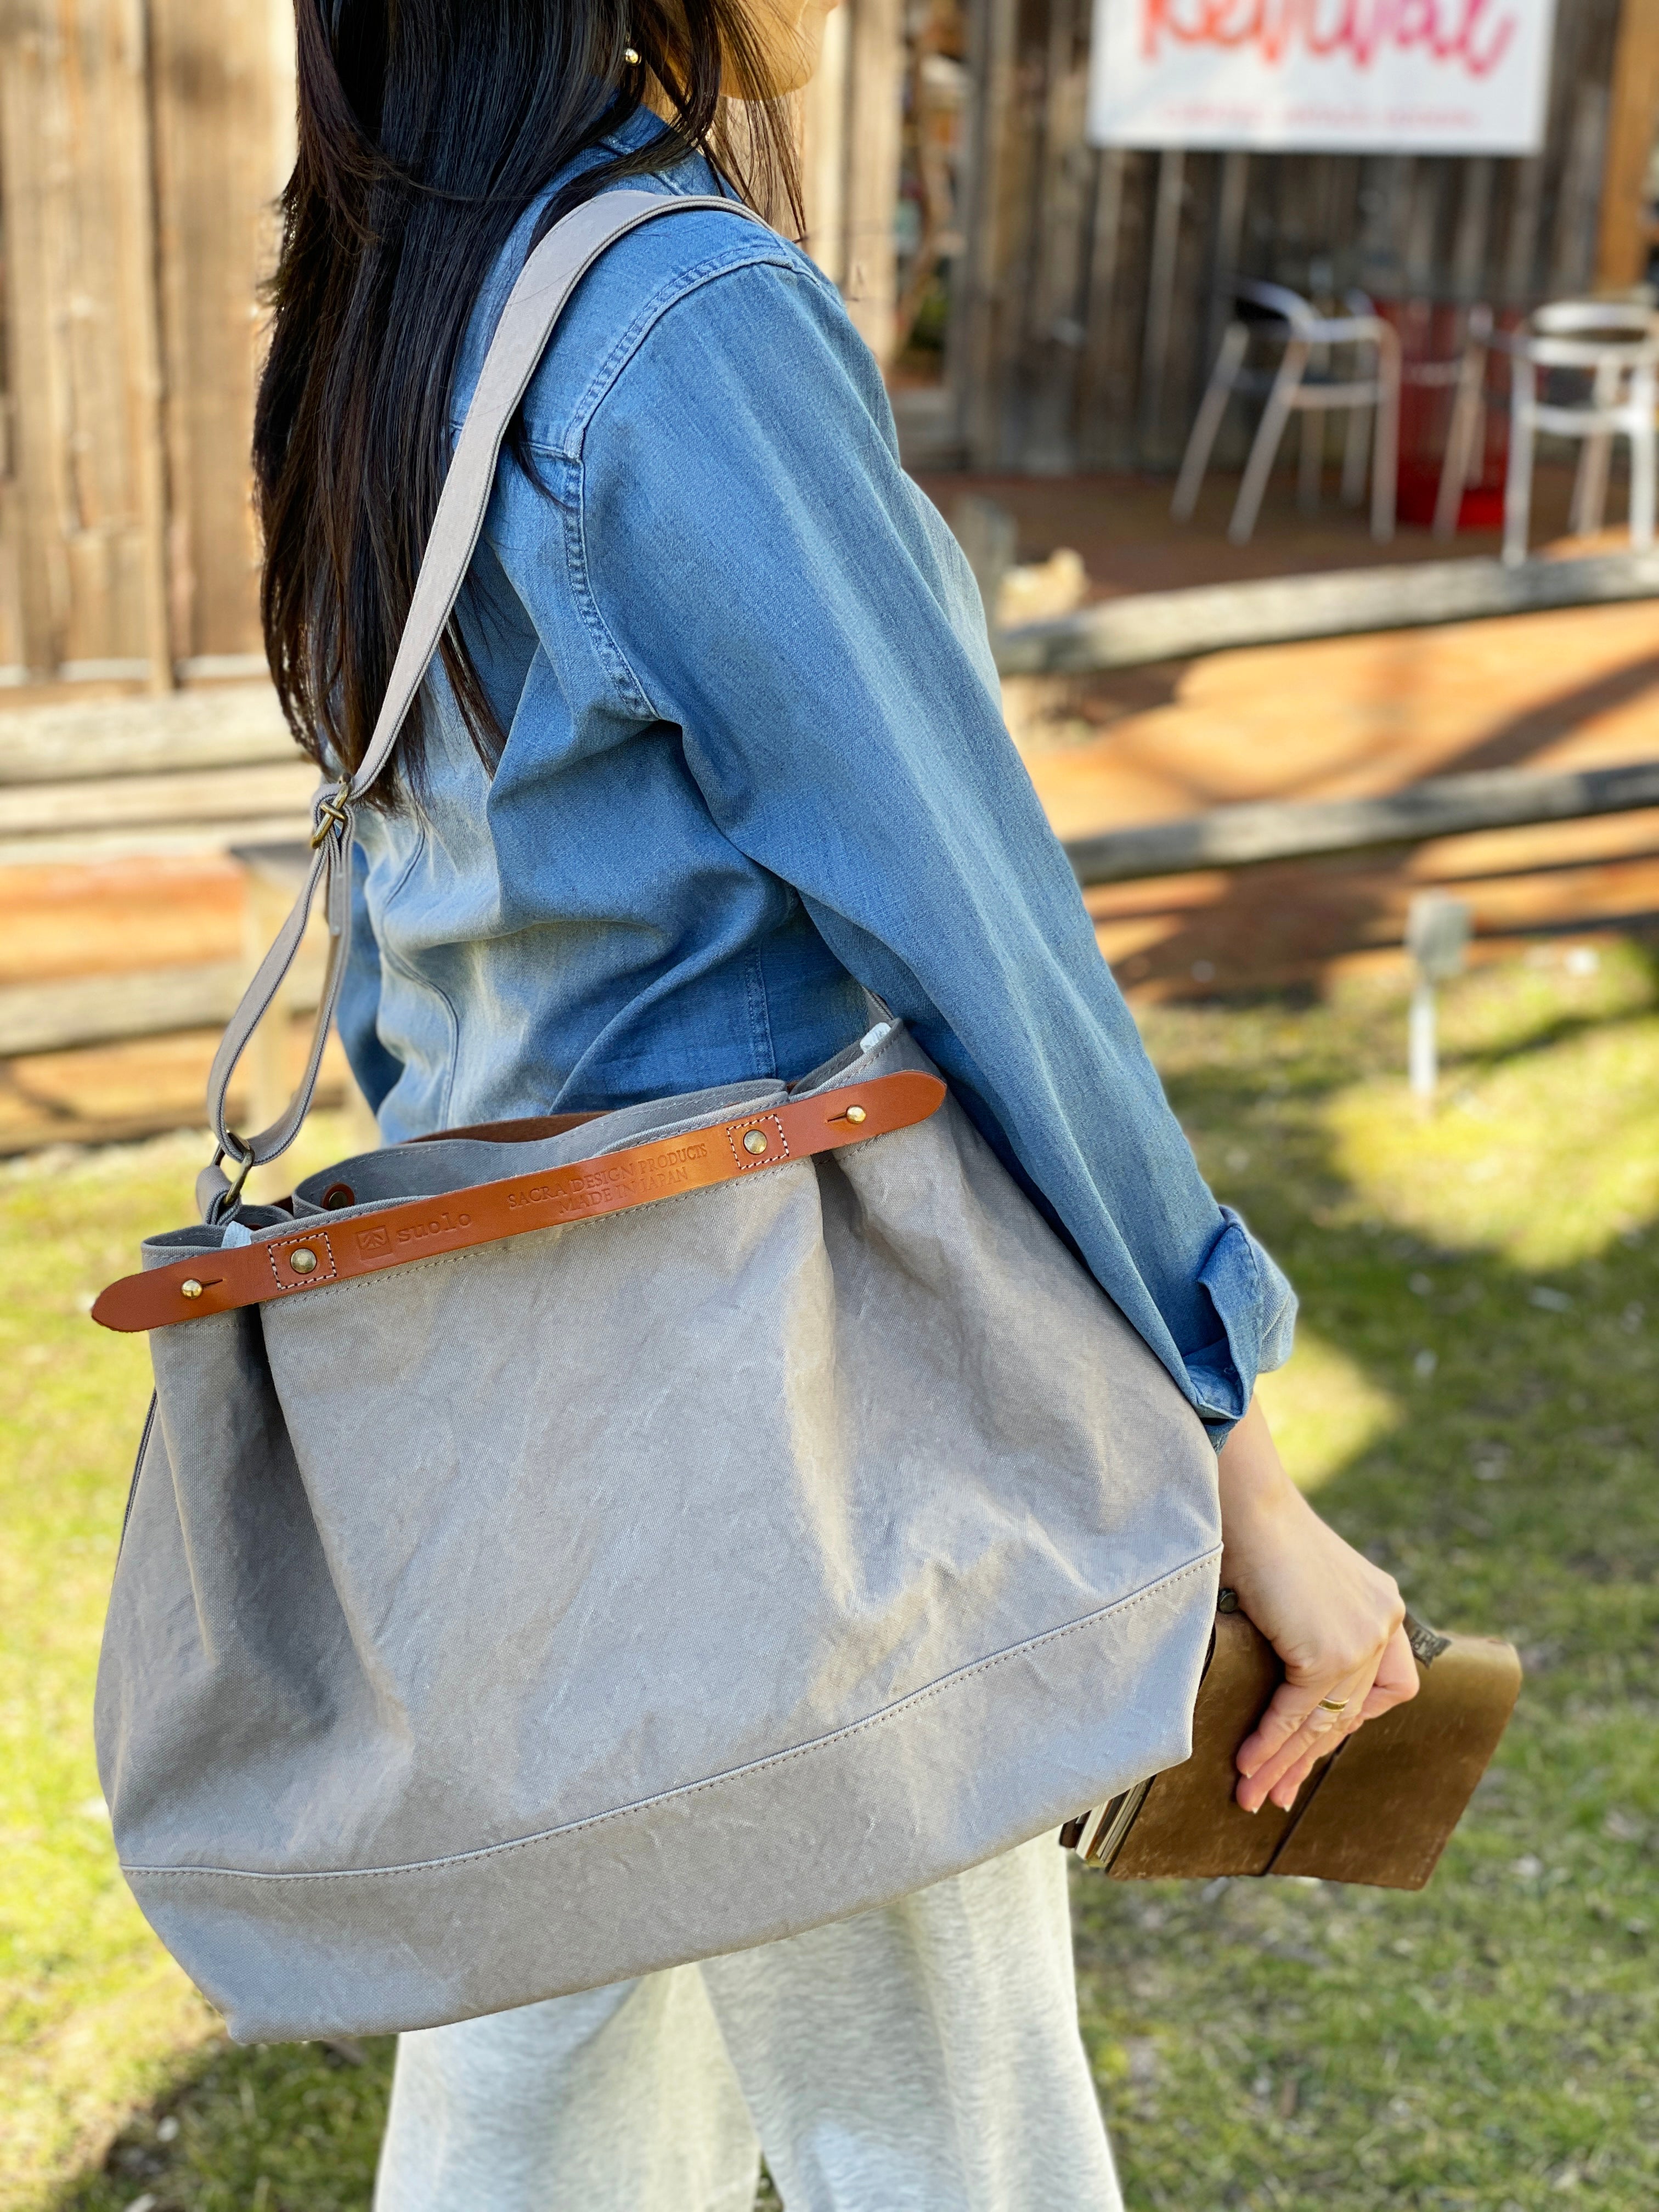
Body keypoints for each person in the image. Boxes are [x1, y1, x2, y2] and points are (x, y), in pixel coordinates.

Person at [255, 2, 1418, 2204]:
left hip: (499, 1447)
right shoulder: (679, 318)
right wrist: (1239, 1458)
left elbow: (418, 971)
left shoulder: (391, 307)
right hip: (790, 1443)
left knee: (543, 2138)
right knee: (945, 2141)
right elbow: (982, 938)